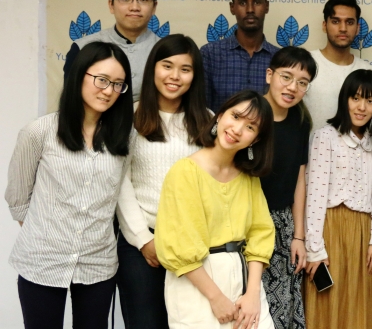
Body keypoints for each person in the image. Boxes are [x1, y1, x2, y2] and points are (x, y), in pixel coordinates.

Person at [7, 42, 134, 328]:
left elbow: (117, 194)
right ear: (79, 75)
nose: (109, 90)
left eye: (118, 84)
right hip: (42, 261)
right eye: (102, 80)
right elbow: (18, 198)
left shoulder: (126, 137)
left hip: (98, 263)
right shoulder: (40, 131)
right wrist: (48, 236)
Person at [154, 90, 276, 328]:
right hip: (197, 281)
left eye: (250, 127)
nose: (237, 129)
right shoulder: (184, 172)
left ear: (256, 140)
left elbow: (261, 234)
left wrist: (252, 294)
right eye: (235, 116)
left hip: (244, 278)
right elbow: (180, 245)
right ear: (220, 116)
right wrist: (216, 298)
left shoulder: (249, 178)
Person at [116, 34, 213, 329]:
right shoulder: (130, 116)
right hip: (142, 244)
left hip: (193, 245)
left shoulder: (208, 120)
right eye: (167, 66)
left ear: (195, 76)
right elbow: (120, 183)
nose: (174, 76)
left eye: (185, 69)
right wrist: (143, 240)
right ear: (153, 69)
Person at [303, 69, 372, 329]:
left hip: (362, 234)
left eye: (370, 101)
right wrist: (315, 249)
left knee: (357, 304)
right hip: (330, 230)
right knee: (328, 304)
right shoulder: (325, 137)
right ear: (345, 100)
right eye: (356, 98)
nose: (362, 107)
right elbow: (314, 196)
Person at [259, 47, 317, 328]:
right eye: (286, 77)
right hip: (244, 224)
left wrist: (299, 237)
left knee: (282, 309)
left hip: (282, 226)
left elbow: (299, 180)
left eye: (302, 82)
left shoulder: (300, 121)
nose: (293, 87)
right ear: (269, 75)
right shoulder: (247, 114)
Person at [63, 0, 159, 101]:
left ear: (154, 6)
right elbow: (71, 101)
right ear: (111, 5)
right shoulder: (83, 48)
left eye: (143, 0)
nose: (134, 7)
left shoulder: (166, 52)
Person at [202, 0, 280, 111]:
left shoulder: (279, 58)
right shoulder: (210, 54)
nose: (250, 9)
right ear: (232, 8)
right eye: (242, 3)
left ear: (266, 6)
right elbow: (202, 111)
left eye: (257, 2)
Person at [304, 0, 372, 129]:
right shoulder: (305, 63)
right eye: (335, 21)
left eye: (350, 22)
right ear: (324, 26)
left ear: (357, 28)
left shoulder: (367, 71)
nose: (343, 28)